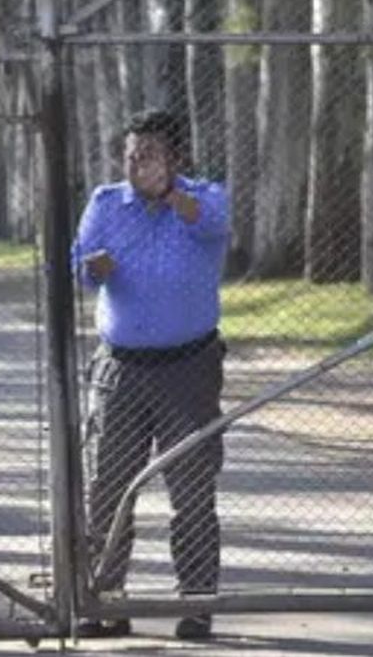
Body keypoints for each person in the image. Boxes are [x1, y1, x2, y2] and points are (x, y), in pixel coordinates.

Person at [70, 110, 230, 641]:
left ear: (176, 159)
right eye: (132, 154)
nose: (137, 165)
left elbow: (209, 224)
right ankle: (104, 600)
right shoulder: (105, 203)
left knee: (191, 489)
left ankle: (197, 603)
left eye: (150, 155)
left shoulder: (206, 197)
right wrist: (93, 269)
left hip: (188, 368)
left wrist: (169, 197)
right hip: (120, 367)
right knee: (108, 488)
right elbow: (78, 263)